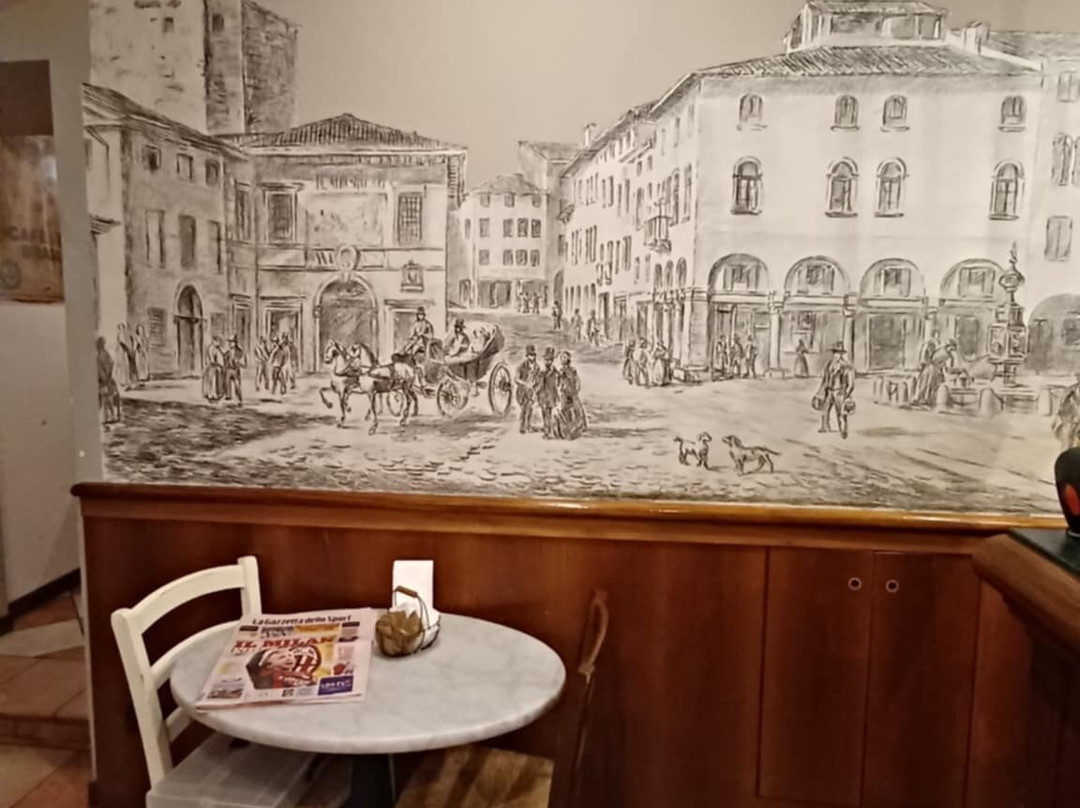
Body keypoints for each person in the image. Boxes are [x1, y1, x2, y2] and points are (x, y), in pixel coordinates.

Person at [815, 341, 856, 439]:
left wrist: (847, 394)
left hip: (839, 392)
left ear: (841, 354)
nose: (836, 355)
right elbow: (825, 379)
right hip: (829, 390)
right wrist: (821, 390)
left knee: (841, 412)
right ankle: (825, 427)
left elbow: (851, 384)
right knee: (825, 409)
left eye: (838, 353)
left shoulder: (846, 366)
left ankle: (843, 430)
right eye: (835, 353)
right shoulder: (829, 365)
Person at [552, 351, 587, 440]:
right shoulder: (560, 371)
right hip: (564, 393)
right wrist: (560, 390)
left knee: (577, 409)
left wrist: (576, 390)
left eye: (564, 357)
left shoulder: (573, 370)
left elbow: (577, 381)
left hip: (573, 392)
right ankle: (564, 431)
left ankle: (578, 428)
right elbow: (558, 383)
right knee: (563, 410)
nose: (563, 359)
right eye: (561, 358)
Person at [913, 339, 958, 407]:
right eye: (951, 349)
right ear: (948, 346)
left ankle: (924, 399)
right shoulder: (944, 353)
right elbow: (937, 363)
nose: (951, 351)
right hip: (932, 369)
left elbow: (942, 365)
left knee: (928, 385)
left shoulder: (944, 352)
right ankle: (922, 399)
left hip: (933, 369)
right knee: (926, 384)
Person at [97, 336, 122, 425]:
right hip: (105, 380)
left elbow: (110, 364)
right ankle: (110, 416)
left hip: (105, 380)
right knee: (107, 398)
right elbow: (110, 364)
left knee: (108, 398)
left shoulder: (102, 355)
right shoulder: (101, 355)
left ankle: (111, 416)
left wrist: (106, 376)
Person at [515, 345, 540, 433]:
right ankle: (522, 427)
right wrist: (525, 384)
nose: (532, 357)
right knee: (524, 409)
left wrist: (535, 386)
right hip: (522, 391)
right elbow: (516, 379)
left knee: (530, 409)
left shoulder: (537, 367)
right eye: (530, 355)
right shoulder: (522, 366)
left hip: (531, 391)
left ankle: (528, 426)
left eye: (533, 355)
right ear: (527, 356)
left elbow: (538, 379)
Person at [536, 347, 560, 438]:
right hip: (543, 395)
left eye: (550, 360)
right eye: (546, 360)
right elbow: (539, 384)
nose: (548, 362)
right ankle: (547, 431)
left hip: (551, 395)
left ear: (552, 361)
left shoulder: (555, 371)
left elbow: (558, 382)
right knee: (545, 414)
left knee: (548, 414)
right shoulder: (542, 372)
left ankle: (548, 431)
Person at [1053, 374, 1080, 450]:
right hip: (1071, 420)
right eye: (1078, 377)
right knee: (1067, 438)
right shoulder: (1070, 391)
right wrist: (1057, 417)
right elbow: (1061, 405)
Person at [223, 335, 246, 404]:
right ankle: (228, 396)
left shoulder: (240, 351)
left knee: (237, 384)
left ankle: (239, 397)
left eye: (231, 342)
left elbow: (244, 363)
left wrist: (238, 362)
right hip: (228, 370)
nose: (230, 343)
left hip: (235, 370)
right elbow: (225, 359)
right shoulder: (228, 352)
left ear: (235, 342)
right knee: (227, 383)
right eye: (229, 342)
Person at [202, 336, 225, 402]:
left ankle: (214, 394)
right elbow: (211, 360)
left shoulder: (217, 348)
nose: (219, 343)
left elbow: (223, 354)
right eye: (218, 342)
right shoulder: (211, 348)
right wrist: (218, 365)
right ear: (214, 341)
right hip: (211, 366)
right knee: (211, 380)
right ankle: (210, 394)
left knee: (214, 380)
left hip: (215, 366)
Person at [114, 324, 133, 389]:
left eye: (123, 328)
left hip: (124, 354)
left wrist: (127, 349)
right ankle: (122, 382)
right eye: (120, 328)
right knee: (121, 368)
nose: (122, 330)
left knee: (126, 366)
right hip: (120, 353)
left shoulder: (126, 336)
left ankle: (126, 381)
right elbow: (117, 345)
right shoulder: (118, 336)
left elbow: (128, 345)